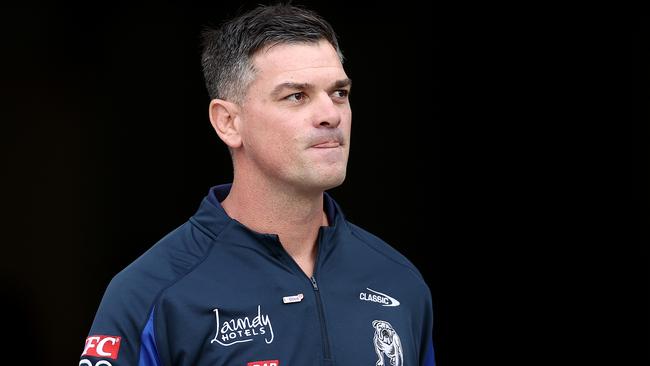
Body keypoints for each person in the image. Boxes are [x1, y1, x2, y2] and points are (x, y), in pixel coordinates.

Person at [79, 3, 435, 366]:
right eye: (296, 96)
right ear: (228, 122)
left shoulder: (398, 281)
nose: (330, 115)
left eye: (339, 93)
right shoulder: (152, 292)